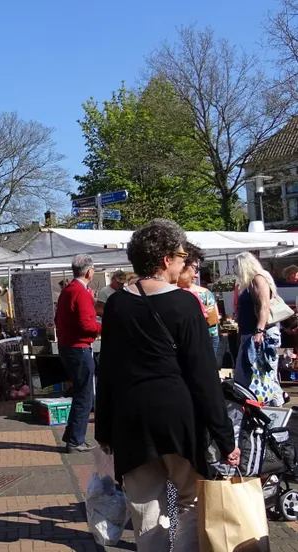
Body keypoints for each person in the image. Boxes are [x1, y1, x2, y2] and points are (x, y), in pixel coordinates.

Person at [96, 219, 239, 551]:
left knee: (145, 508)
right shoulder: (186, 303)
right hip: (178, 415)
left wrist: (103, 429)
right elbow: (203, 375)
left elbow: (109, 370)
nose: (183, 262)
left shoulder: (116, 304)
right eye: (181, 255)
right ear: (165, 259)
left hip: (130, 417)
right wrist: (224, 434)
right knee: (191, 500)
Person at [54, 254, 100, 453]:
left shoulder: (68, 291)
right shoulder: (79, 292)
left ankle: (73, 435)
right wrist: (104, 327)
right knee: (85, 394)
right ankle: (75, 439)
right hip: (79, 347)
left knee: (81, 392)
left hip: (69, 346)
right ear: (89, 271)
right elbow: (86, 324)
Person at [234, 251, 286, 406]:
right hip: (252, 333)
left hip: (260, 334)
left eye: (236, 266)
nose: (235, 269)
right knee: (263, 375)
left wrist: (259, 331)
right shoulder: (250, 282)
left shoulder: (258, 279)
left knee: (260, 375)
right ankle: (276, 406)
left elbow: (264, 305)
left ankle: (276, 407)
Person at [178, 243, 220, 356]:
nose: (196, 275)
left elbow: (213, 321)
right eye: (195, 268)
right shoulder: (164, 295)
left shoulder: (204, 293)